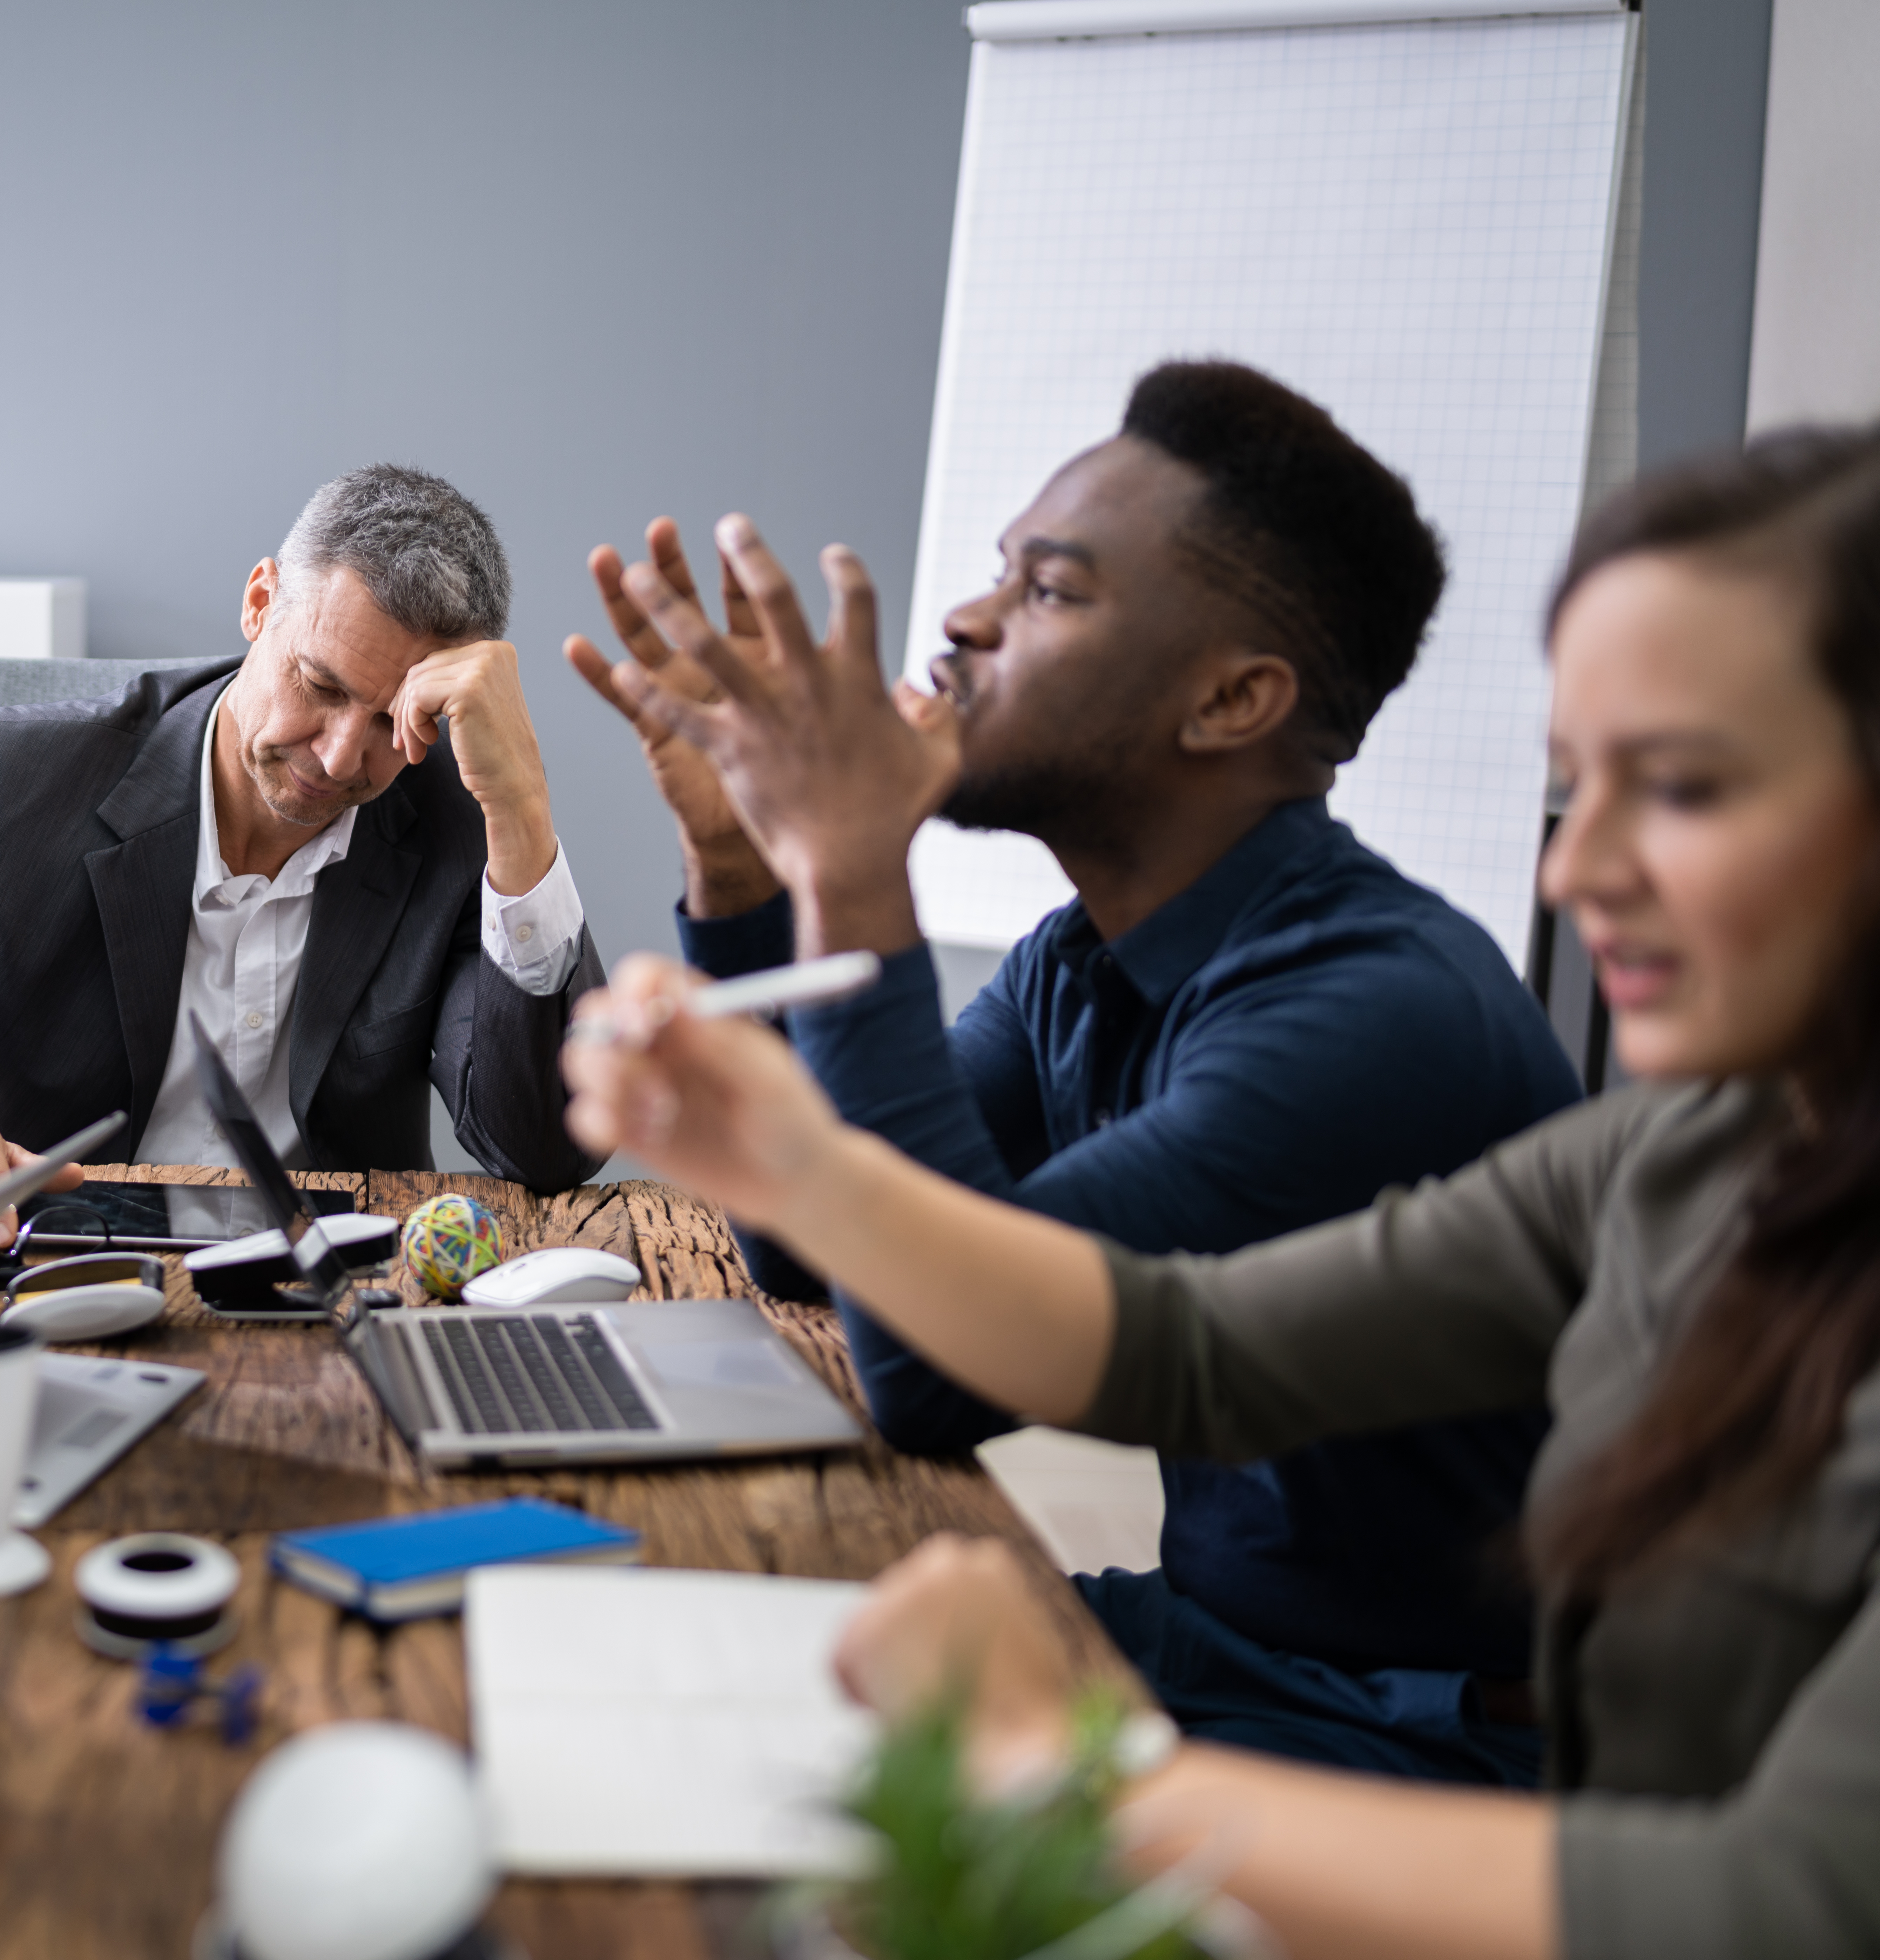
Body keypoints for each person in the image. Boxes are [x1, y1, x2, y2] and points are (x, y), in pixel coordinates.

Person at [563, 429, 1880, 1960]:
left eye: (1688, 786)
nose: (1575, 869)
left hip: (1429, 1765)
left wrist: (1062, 1759)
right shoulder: (1680, 1152)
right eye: (1581, 783)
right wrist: (786, 1113)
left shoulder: (1384, 1006)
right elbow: (1159, 1336)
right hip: (1331, 1761)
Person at [572, 362, 1583, 1786]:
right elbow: (814, 1252)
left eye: (1048, 592)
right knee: (658, 1660)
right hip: (1212, 1643)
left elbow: (932, 1374)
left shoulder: (1373, 1012)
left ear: (1232, 698)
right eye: (1000, 574)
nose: (967, 621)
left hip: (1409, 1732)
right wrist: (745, 862)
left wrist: (849, 862)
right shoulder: (1083, 959)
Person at [0, 463, 604, 1229]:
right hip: (35, 1267)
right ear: (259, 604)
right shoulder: (8, 781)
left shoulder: (452, 821)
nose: (341, 758)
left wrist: (521, 814)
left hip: (317, 1306)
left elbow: (544, 1150)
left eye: (389, 722)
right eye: (319, 685)